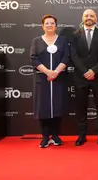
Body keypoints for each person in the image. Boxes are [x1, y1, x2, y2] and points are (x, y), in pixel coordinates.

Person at [70, 9, 98, 146]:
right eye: (86, 15)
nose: (89, 17)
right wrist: (85, 71)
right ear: (82, 18)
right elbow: (73, 56)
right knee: (81, 108)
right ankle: (81, 135)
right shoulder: (75, 35)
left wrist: (94, 70)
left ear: (95, 18)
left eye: (91, 15)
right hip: (80, 77)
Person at [30, 14, 70, 148]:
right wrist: (48, 72)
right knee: (43, 108)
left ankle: (56, 135)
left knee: (57, 107)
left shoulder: (63, 40)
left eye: (52, 23)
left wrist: (56, 72)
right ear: (42, 26)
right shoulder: (36, 41)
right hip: (42, 79)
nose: (49, 25)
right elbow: (33, 58)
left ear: (56, 26)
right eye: (47, 23)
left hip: (59, 79)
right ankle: (45, 137)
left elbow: (66, 58)